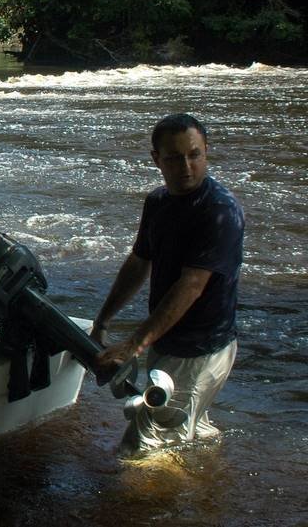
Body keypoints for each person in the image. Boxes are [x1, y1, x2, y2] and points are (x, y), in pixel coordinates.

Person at [93, 113, 244, 456]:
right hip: (168, 340)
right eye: (174, 158)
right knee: (185, 428)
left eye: (195, 154)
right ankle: (210, 483)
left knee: (141, 446)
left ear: (207, 151)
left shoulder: (219, 211)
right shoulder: (158, 202)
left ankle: (148, 508)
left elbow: (191, 285)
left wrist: (133, 344)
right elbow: (138, 262)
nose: (186, 166)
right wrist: (103, 321)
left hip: (201, 348)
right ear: (156, 160)